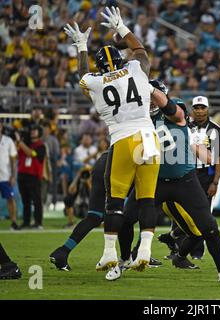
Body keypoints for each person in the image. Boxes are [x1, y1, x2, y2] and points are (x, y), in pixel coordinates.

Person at [64, 6, 176, 271]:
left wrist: (81, 46)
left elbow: (82, 76)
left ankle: (109, 252)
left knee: (115, 202)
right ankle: (145, 251)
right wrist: (122, 28)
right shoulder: (136, 70)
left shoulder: (96, 83)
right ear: (120, 60)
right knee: (147, 199)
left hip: (124, 140)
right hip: (149, 137)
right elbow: (140, 52)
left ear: (100, 67)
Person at [106, 80, 220, 284]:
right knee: (125, 220)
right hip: (152, 180)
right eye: (146, 97)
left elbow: (190, 136)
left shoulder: (175, 113)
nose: (150, 102)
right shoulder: (136, 120)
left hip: (184, 180)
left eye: (153, 97)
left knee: (209, 227)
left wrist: (211, 157)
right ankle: (124, 260)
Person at [185, 95, 220, 259]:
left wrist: (215, 182)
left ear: (207, 109)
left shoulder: (215, 130)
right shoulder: (185, 126)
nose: (200, 111)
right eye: (196, 108)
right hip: (186, 172)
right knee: (183, 212)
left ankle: (197, 251)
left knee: (203, 214)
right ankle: (179, 246)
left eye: (203, 108)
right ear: (193, 110)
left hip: (205, 175)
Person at [16, 125, 46, 229]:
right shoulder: (25, 144)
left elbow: (31, 154)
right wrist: (18, 142)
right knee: (25, 201)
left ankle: (38, 222)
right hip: (22, 175)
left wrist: (20, 142)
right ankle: (26, 222)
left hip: (34, 176)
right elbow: (16, 154)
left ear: (39, 132)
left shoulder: (41, 146)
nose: (32, 132)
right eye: (32, 130)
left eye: (35, 130)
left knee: (36, 200)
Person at [0, 121, 19, 230]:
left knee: (10, 199)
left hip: (5, 176)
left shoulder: (8, 141)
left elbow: (13, 159)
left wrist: (13, 175)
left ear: (1, 126)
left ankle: (14, 222)